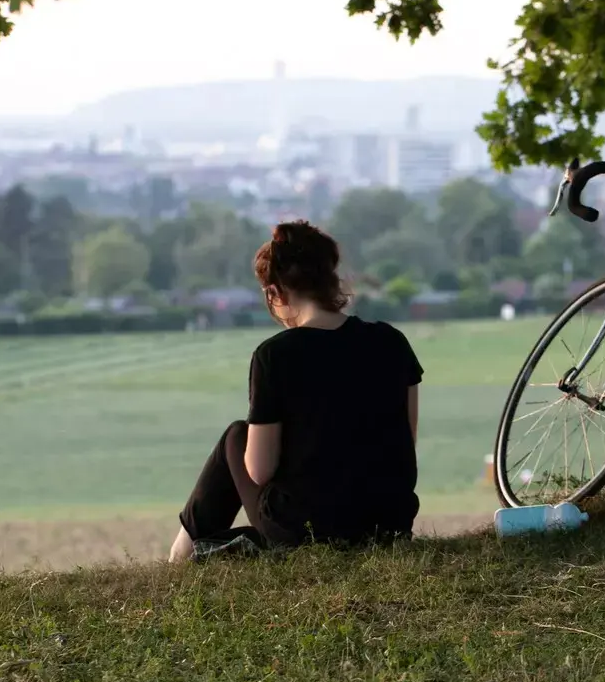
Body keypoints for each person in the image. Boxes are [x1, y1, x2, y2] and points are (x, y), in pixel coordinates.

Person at [169, 220, 423, 562]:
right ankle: (204, 549)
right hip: (389, 522)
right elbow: (405, 440)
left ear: (274, 293)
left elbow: (259, 470)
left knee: (236, 436)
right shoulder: (391, 341)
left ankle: (181, 554)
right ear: (330, 278)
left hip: (308, 529)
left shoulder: (275, 355)